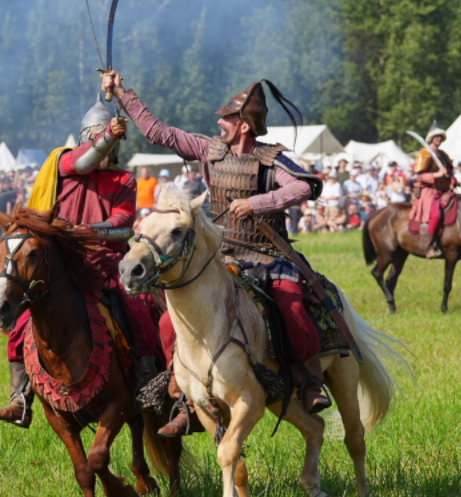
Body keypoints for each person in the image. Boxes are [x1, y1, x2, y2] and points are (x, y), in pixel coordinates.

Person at [103, 70, 331, 426]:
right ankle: (185, 397)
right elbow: (159, 132)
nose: (220, 122)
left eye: (228, 117)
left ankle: (309, 381)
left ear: (244, 125)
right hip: (221, 257)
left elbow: (306, 187)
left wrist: (257, 204)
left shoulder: (271, 158)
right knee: (167, 322)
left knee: (292, 308)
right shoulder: (210, 150)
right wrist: (121, 94)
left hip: (268, 257)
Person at [0, 94, 163, 428]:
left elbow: (123, 224)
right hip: (62, 267)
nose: (104, 150)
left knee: (139, 310)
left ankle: (145, 382)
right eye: (98, 140)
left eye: (109, 143)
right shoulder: (64, 166)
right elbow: (83, 162)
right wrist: (108, 132)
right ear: (87, 140)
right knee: (22, 321)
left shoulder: (123, 180)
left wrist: (86, 230)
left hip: (108, 264)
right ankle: (20, 397)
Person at [409, 121, 454, 258]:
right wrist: (436, 175)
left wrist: (453, 179)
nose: (439, 138)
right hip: (429, 191)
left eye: (441, 136)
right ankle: (429, 246)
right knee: (437, 215)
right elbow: (419, 176)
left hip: (445, 191)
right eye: (436, 136)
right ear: (431, 138)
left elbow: (450, 172)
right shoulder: (424, 153)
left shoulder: (443, 155)